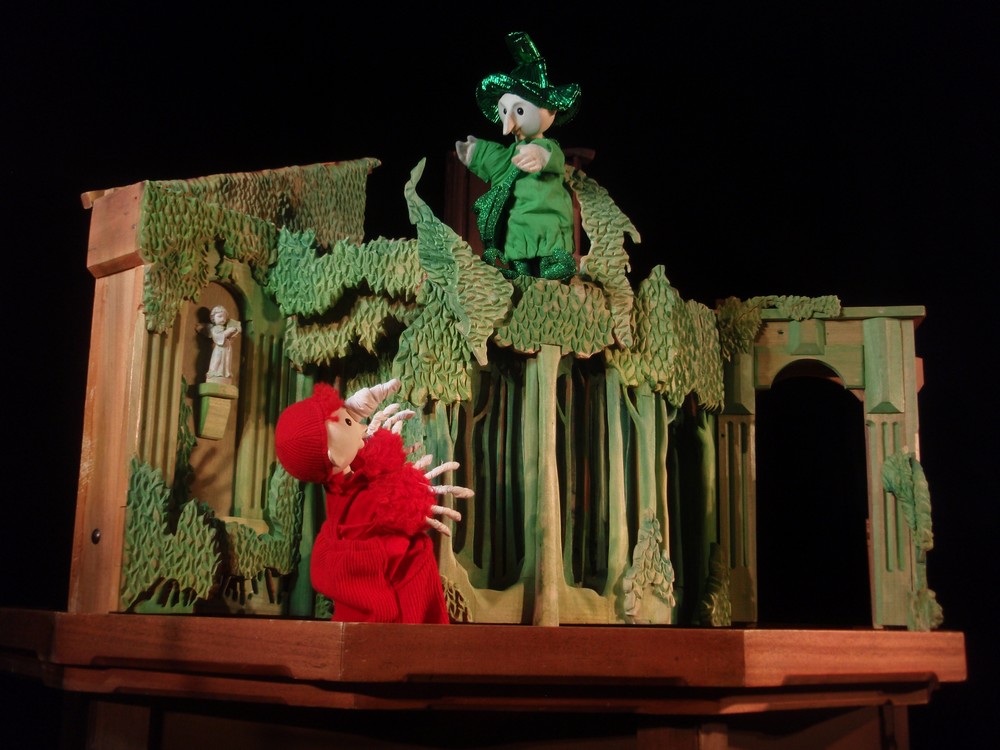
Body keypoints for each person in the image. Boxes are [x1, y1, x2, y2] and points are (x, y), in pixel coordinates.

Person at [274, 378, 468, 623]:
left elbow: (350, 453)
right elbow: (395, 552)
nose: (360, 425)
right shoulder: (362, 505)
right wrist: (409, 495)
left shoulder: (341, 489)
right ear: (334, 457)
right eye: (348, 421)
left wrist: (352, 412)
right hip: (397, 618)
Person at [455, 31, 581, 281]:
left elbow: (553, 158)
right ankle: (521, 279)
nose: (508, 127)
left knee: (555, 266)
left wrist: (540, 155)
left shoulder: (550, 147)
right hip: (516, 234)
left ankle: (551, 278)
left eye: (519, 111)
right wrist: (476, 153)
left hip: (549, 230)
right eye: (504, 112)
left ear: (549, 110)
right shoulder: (510, 153)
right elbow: (498, 160)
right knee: (520, 273)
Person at [202, 305, 241, 384]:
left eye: (224, 317)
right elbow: (218, 337)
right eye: (220, 316)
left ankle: (225, 373)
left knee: (226, 360)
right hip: (219, 348)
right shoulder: (214, 329)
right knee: (217, 360)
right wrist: (228, 331)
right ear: (213, 318)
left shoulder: (224, 328)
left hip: (227, 347)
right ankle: (214, 373)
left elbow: (229, 337)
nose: (223, 319)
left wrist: (235, 331)